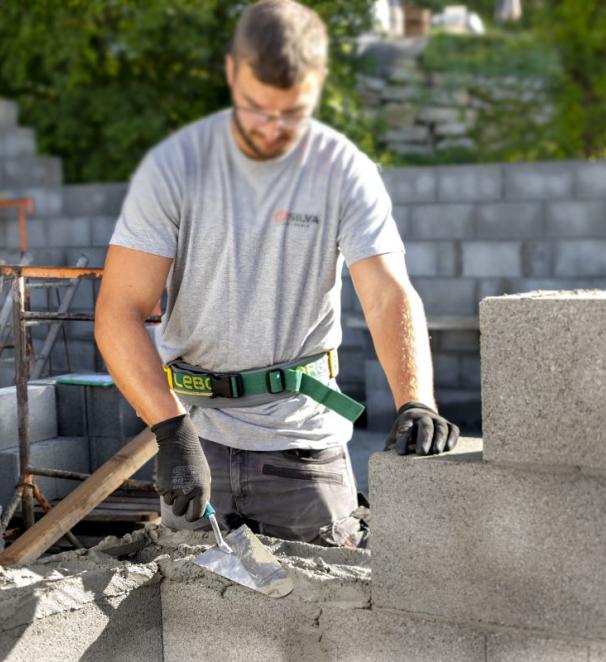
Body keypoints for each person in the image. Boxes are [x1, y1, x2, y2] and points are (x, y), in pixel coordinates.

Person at [94, 0, 458, 548]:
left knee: (326, 623)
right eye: (259, 109)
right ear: (232, 73)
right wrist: (171, 434)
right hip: (198, 442)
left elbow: (387, 294)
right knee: (195, 622)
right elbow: (118, 313)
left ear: (316, 86)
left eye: (292, 112)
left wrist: (416, 399)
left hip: (303, 454)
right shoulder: (173, 171)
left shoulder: (343, 171)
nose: (273, 129)